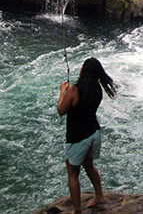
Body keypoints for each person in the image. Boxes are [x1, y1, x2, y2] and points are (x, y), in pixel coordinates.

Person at [57, 57, 117, 213]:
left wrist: (62, 91)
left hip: (78, 138)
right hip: (93, 133)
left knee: (72, 173)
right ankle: (99, 195)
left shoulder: (74, 90)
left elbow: (61, 110)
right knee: (89, 165)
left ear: (83, 70)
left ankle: (77, 210)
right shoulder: (97, 88)